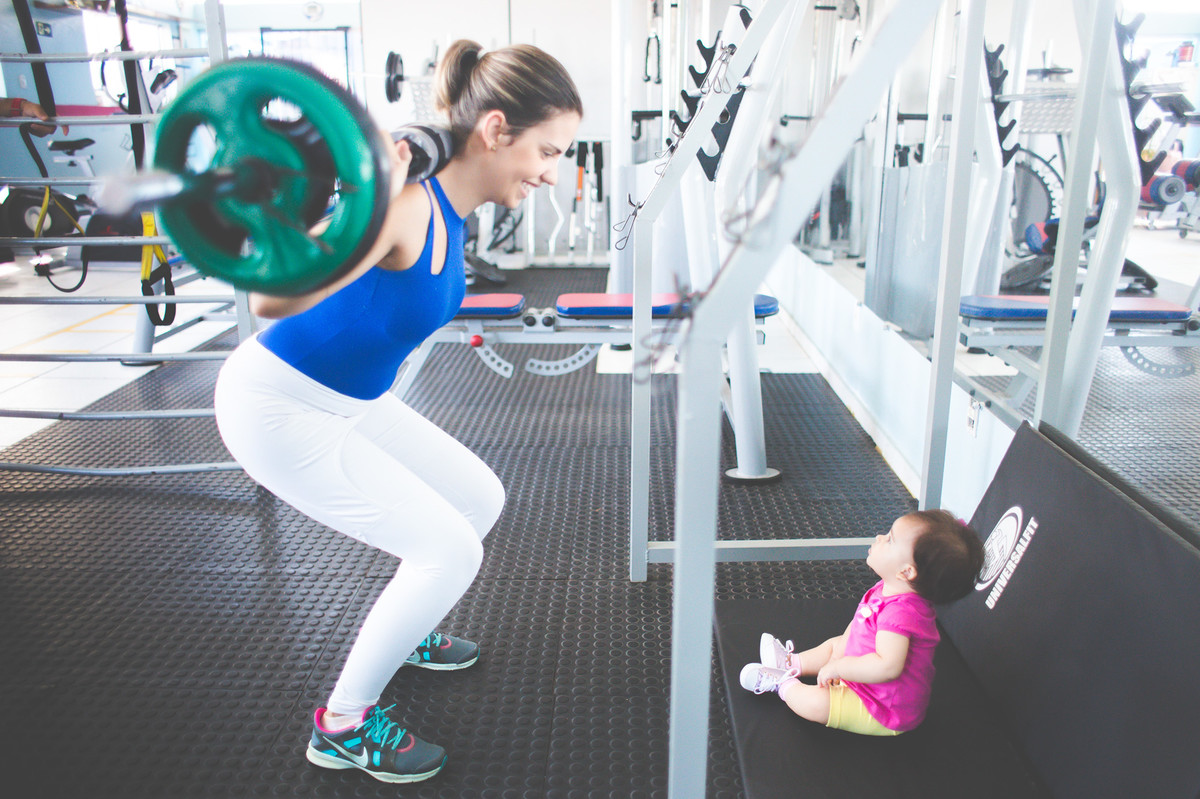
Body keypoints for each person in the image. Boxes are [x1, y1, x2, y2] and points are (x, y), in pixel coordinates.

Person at [213, 40, 582, 784]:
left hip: (353, 401)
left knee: (480, 498)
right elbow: (268, 300)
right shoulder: (406, 205)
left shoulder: (454, 207)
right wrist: (358, 201)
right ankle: (342, 724)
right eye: (547, 150)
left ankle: (408, 631)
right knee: (450, 550)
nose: (551, 172)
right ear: (497, 129)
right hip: (276, 405)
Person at [739, 510, 984, 737]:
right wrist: (840, 651)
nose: (879, 537)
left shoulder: (901, 614)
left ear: (906, 572)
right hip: (863, 670)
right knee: (835, 644)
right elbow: (858, 624)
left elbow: (887, 667)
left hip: (883, 706)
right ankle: (791, 663)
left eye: (889, 539)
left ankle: (783, 684)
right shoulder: (890, 587)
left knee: (817, 704)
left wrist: (840, 668)